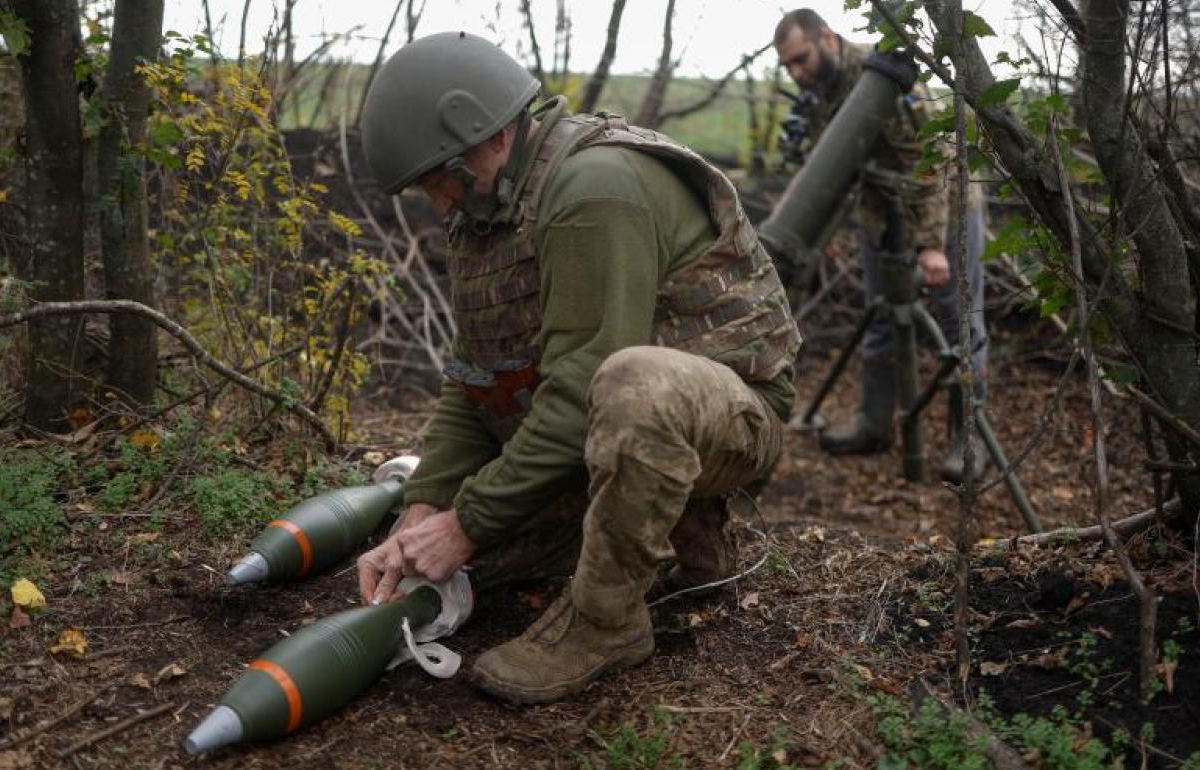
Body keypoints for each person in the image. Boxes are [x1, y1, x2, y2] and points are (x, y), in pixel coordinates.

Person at [354, 31, 801, 704]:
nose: (439, 204)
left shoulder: (594, 189)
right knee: (485, 567)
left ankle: (607, 622)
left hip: (725, 417)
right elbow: (478, 381)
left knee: (632, 385)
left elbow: (582, 385)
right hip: (607, 418)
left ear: (487, 137)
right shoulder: (488, 209)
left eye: (439, 182)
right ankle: (673, 540)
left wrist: (466, 521)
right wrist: (425, 510)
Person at [772, 9, 990, 482]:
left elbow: (932, 158)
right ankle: (874, 425)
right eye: (788, 66)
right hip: (881, 209)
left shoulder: (881, 77)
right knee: (880, 313)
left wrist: (931, 244)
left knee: (958, 323)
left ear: (826, 38)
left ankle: (969, 442)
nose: (796, 72)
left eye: (801, 59)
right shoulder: (820, 91)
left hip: (943, 203)